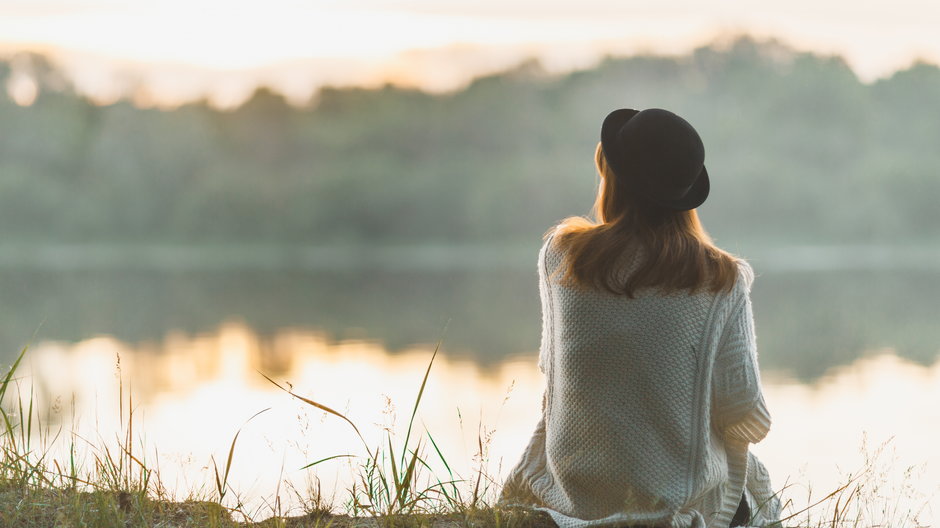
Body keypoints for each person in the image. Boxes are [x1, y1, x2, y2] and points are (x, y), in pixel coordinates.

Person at [499, 108, 780, 528]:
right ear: (683, 194)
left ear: (612, 181)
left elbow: (552, 370)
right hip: (670, 504)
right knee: (753, 490)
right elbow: (744, 413)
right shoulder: (721, 278)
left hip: (572, 493)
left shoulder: (561, 256)